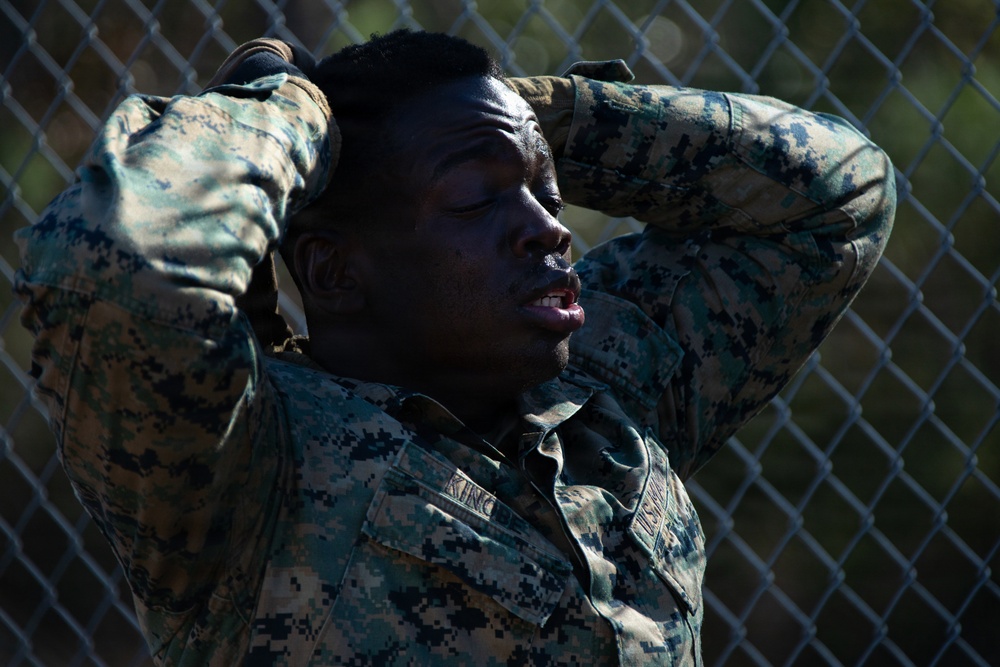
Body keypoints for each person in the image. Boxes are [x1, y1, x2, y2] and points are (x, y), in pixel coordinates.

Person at [14, 29, 894, 666]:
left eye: (547, 193)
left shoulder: (606, 390)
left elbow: (835, 192)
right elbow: (122, 273)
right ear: (334, 271)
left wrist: (532, 116)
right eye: (479, 199)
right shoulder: (251, 466)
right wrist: (283, 106)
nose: (550, 230)